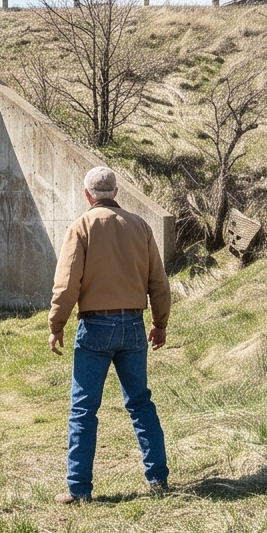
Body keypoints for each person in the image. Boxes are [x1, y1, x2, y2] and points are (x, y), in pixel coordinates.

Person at [49, 165, 173, 505]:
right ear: (116, 192)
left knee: (83, 409)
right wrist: (160, 323)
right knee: (141, 403)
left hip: (95, 327)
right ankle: (158, 478)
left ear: (87, 195)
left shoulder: (81, 227)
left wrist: (57, 324)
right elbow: (159, 282)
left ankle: (79, 489)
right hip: (134, 325)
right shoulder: (140, 226)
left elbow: (67, 283)